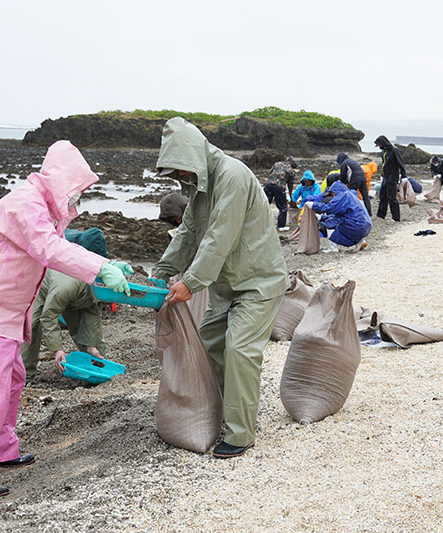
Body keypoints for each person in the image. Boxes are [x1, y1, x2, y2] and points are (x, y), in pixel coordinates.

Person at [0, 141, 132, 499]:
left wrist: (104, 264)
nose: (78, 198)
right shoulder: (26, 204)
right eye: (76, 190)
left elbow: (60, 245)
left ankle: (0, 449)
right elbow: (49, 249)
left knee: (11, 379)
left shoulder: (43, 208)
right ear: (61, 181)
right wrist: (100, 266)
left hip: (1, 313)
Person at [152, 117, 288, 459]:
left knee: (240, 349)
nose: (180, 178)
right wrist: (163, 271)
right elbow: (188, 232)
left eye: (180, 170)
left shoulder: (232, 175)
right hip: (228, 287)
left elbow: (219, 237)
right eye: (175, 174)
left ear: (192, 157)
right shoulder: (199, 187)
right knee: (210, 342)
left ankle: (241, 433)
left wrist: (190, 283)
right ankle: (225, 411)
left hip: (259, 283)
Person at [21, 227, 110, 384]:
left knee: (85, 328)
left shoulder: (99, 279)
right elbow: (48, 317)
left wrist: (91, 346)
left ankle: (96, 367)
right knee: (32, 326)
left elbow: (91, 314)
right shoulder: (66, 285)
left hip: (75, 287)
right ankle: (24, 376)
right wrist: (57, 350)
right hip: (41, 280)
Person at [305, 180, 372, 253]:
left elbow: (330, 208)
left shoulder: (344, 196)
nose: (333, 196)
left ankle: (333, 248)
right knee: (344, 223)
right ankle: (360, 242)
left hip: (357, 226)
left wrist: (313, 205)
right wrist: (321, 217)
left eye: (332, 194)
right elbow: (340, 216)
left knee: (331, 223)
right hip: (365, 226)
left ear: (336, 191)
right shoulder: (351, 196)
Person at [374, 135, 408, 221]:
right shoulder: (383, 152)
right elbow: (384, 165)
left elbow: (401, 163)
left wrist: (403, 176)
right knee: (382, 196)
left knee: (391, 197)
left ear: (383, 143)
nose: (379, 147)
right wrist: (382, 175)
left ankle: (396, 217)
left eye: (380, 145)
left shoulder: (394, 150)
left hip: (393, 177)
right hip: (385, 177)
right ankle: (381, 215)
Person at [264, 156, 298, 231]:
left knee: (264, 204)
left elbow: (269, 173)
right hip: (279, 187)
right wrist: (291, 199)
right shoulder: (291, 171)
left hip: (268, 185)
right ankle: (281, 226)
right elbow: (290, 186)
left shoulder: (277, 164)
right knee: (283, 208)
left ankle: (261, 224)